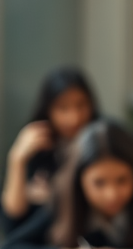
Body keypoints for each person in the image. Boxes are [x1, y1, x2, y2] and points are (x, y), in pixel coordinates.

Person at [0, 119, 133, 249]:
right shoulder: (64, 200)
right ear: (79, 181)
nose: (111, 195)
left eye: (122, 180)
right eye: (99, 183)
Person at [1, 67, 99, 233]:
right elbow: (13, 220)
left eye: (81, 105)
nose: (74, 117)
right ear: (48, 109)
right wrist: (17, 158)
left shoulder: (102, 142)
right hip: (41, 243)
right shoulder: (37, 144)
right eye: (63, 108)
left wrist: (54, 195)